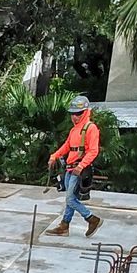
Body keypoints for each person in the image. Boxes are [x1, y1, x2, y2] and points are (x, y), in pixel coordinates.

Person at [46, 94, 102, 238]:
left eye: (78, 114)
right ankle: (64, 226)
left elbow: (93, 151)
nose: (74, 117)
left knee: (71, 199)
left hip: (79, 170)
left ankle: (91, 218)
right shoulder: (74, 130)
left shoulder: (91, 128)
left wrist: (81, 166)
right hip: (70, 168)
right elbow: (67, 146)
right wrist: (55, 156)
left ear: (85, 112)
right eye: (72, 114)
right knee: (70, 199)